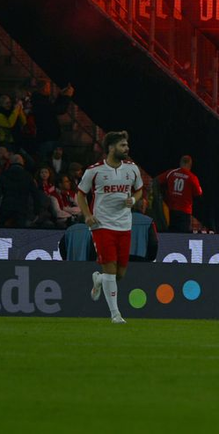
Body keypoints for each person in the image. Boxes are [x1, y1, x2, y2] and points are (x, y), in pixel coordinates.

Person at [77, 130, 144, 324]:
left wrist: (133, 199)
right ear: (111, 148)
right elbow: (80, 194)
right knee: (110, 271)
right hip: (102, 224)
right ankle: (115, 314)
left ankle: (98, 280)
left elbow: (139, 190)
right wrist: (87, 215)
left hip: (124, 225)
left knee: (120, 273)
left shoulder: (132, 169)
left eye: (127, 145)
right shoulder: (94, 170)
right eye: (123, 145)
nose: (127, 148)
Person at [158, 155, 203, 233]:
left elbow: (157, 181)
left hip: (171, 210)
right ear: (190, 165)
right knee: (183, 237)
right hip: (185, 212)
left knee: (171, 235)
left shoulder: (171, 173)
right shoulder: (192, 177)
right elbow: (198, 194)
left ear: (180, 163)